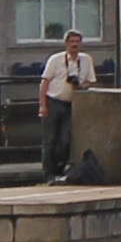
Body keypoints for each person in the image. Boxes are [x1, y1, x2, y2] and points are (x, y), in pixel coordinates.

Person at [37, 28, 98, 185]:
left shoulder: (86, 60)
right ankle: (48, 174)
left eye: (77, 42)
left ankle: (60, 171)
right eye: (72, 42)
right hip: (53, 100)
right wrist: (43, 106)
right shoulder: (56, 59)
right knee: (50, 140)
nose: (74, 45)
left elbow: (90, 81)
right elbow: (44, 83)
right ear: (66, 43)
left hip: (72, 103)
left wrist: (81, 86)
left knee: (66, 140)